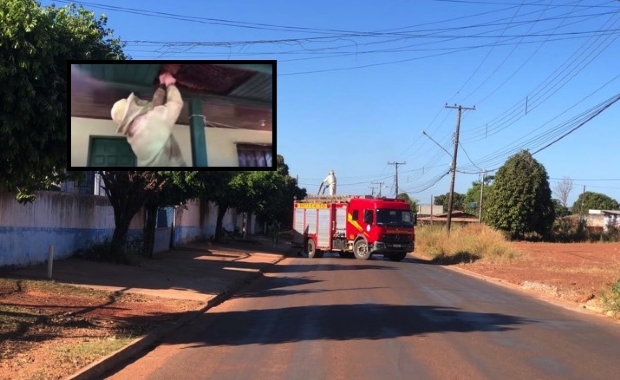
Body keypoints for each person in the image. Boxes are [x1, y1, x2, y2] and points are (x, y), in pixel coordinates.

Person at [111, 72, 187, 167]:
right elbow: (176, 103)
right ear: (131, 111)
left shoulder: (134, 136)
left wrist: (162, 85)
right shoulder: (151, 122)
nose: (138, 101)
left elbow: (153, 108)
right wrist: (170, 84)